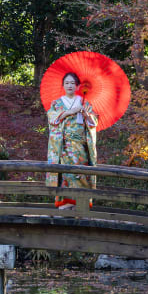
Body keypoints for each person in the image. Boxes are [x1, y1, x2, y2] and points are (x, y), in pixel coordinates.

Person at [46, 72, 98, 209]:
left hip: (80, 145)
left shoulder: (85, 102)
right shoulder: (57, 103)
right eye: (67, 83)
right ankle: (65, 202)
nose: (69, 85)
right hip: (63, 145)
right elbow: (52, 118)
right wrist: (69, 112)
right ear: (63, 85)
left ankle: (82, 202)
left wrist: (86, 115)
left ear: (78, 86)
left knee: (80, 172)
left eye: (72, 83)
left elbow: (93, 123)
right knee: (65, 173)